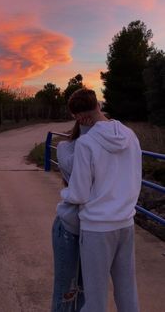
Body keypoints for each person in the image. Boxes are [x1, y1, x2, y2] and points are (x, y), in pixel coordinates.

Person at [61, 88, 142, 312]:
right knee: (127, 290)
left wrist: (64, 195)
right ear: (98, 105)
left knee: (95, 298)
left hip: (97, 229)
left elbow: (78, 194)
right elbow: (136, 177)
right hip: (126, 222)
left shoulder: (86, 144)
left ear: (79, 117)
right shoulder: (130, 135)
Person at [51, 121, 91, 312]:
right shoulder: (66, 148)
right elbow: (73, 166)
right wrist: (90, 142)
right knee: (66, 291)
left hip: (94, 231)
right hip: (69, 227)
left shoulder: (100, 149)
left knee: (86, 291)